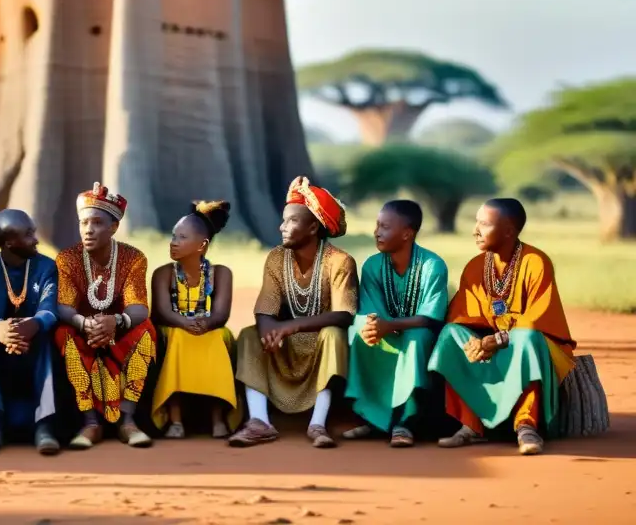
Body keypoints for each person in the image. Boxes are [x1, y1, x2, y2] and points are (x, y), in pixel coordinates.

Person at [429, 198, 576, 456]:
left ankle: (526, 425)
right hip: (493, 342)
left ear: (509, 230)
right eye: (475, 222)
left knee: (526, 340)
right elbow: (463, 315)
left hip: (537, 347)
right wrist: (477, 342)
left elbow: (538, 320)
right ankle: (470, 424)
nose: (475, 230)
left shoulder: (535, 262)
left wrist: (498, 340)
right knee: (450, 335)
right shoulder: (476, 267)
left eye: (483, 224)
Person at [230, 176, 358, 449]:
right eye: (283, 220)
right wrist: (268, 331)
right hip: (283, 345)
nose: (282, 227)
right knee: (250, 335)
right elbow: (265, 309)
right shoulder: (277, 258)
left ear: (313, 227)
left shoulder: (340, 261)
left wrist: (292, 326)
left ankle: (318, 423)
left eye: (291, 221)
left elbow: (344, 314)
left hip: (318, 343)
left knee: (334, 335)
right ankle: (259, 421)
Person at [55, 182, 156, 449]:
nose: (88, 230)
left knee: (146, 330)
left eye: (97, 223)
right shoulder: (67, 259)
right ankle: (90, 423)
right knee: (63, 333)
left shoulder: (133, 258)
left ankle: (128, 421)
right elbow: (64, 306)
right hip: (84, 331)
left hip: (119, 331)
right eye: (83, 222)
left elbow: (138, 307)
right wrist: (85, 323)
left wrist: (116, 322)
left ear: (114, 227)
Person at [344, 201, 449, 448]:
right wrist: (372, 326)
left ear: (407, 233)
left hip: (421, 334)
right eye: (377, 225)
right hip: (387, 331)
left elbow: (429, 318)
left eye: (385, 226)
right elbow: (370, 311)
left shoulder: (432, 265)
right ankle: (373, 419)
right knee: (359, 331)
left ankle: (405, 422)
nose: (377, 232)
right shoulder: (372, 265)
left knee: (417, 338)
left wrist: (389, 326)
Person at [0, 209, 60, 456]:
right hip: (1, 347)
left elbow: (49, 309)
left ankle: (45, 426)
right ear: (10, 242)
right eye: (29, 234)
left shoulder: (47, 267)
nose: (36, 239)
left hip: (35, 343)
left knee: (47, 336)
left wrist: (31, 326)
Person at [150, 200, 239, 439]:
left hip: (208, 327)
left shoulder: (221, 273)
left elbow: (221, 314)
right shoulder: (163, 273)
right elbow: (160, 312)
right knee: (178, 338)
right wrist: (184, 323)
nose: (173, 242)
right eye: (173, 236)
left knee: (218, 337)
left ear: (202, 245)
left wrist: (206, 324)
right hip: (174, 328)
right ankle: (175, 419)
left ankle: (218, 417)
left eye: (182, 237)